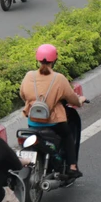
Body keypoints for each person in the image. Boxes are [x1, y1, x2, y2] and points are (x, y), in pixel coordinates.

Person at [20, 44, 86, 177]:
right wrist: (80, 101)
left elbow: (22, 95)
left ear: (37, 59)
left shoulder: (29, 76)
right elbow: (71, 98)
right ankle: (72, 167)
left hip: (33, 122)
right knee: (67, 135)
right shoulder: (59, 78)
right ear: (54, 60)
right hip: (54, 123)